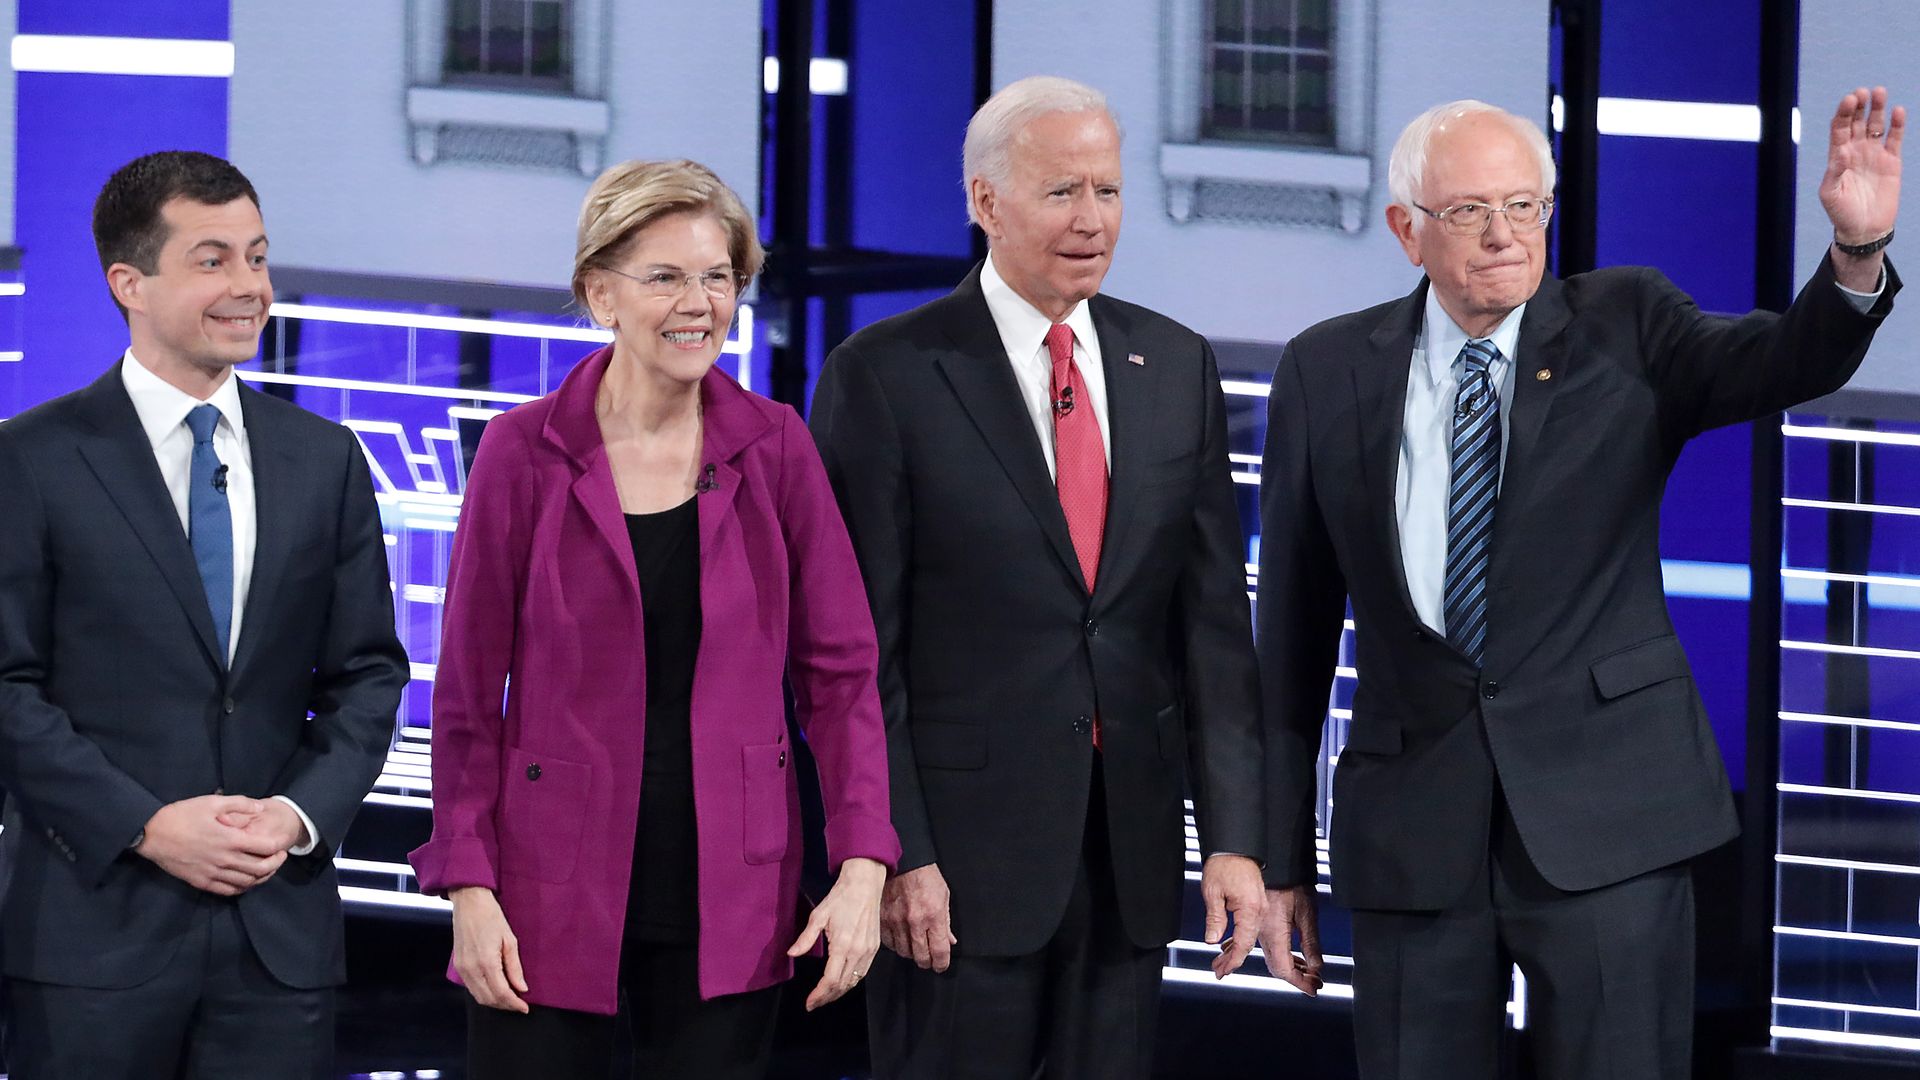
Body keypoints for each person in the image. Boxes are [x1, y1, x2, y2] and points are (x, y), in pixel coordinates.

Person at [1256, 89, 1903, 1079]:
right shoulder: (1325, 368)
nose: (1506, 234)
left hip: (1612, 819)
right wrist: (1279, 862)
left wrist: (1855, 255)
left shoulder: (1628, 322)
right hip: (1414, 833)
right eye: (1470, 210)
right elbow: (1291, 639)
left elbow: (1782, 359)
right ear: (1406, 229)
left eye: (1526, 206)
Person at [811, 76, 1268, 1079]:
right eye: (1063, 192)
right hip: (957, 875)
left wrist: (1234, 840)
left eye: (1107, 192)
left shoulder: (1176, 364)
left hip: (1129, 861)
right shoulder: (886, 375)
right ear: (985, 204)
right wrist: (895, 850)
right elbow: (855, 655)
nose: (1093, 220)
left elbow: (1213, 635)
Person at [409, 158, 899, 1080]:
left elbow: (841, 678)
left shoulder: (777, 446)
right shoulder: (523, 451)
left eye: (718, 277)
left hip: (735, 882)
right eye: (666, 276)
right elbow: (468, 699)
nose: (699, 303)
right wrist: (466, 884)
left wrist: (862, 860)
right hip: (544, 889)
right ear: (601, 294)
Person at [0, 150, 408, 1078]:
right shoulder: (30, 459)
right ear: (129, 283)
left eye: (258, 258)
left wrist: (299, 815)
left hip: (278, 940)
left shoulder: (325, 458)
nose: (249, 287)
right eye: (214, 259)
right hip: (89, 936)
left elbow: (369, 673)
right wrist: (145, 825)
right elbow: (7, 686)